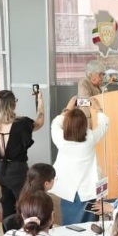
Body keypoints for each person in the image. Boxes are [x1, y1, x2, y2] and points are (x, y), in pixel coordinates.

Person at [0, 89, 45, 219]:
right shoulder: (22, 124)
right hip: (18, 170)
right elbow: (40, 121)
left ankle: (10, 231)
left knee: (7, 209)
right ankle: (27, 230)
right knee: (26, 206)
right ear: (12, 105)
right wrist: (40, 102)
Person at [50, 96, 109, 225]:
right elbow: (104, 125)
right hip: (88, 189)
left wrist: (67, 109)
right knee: (89, 224)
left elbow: (55, 123)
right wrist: (98, 109)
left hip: (68, 189)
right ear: (84, 124)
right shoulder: (90, 138)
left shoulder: (60, 138)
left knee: (69, 225)